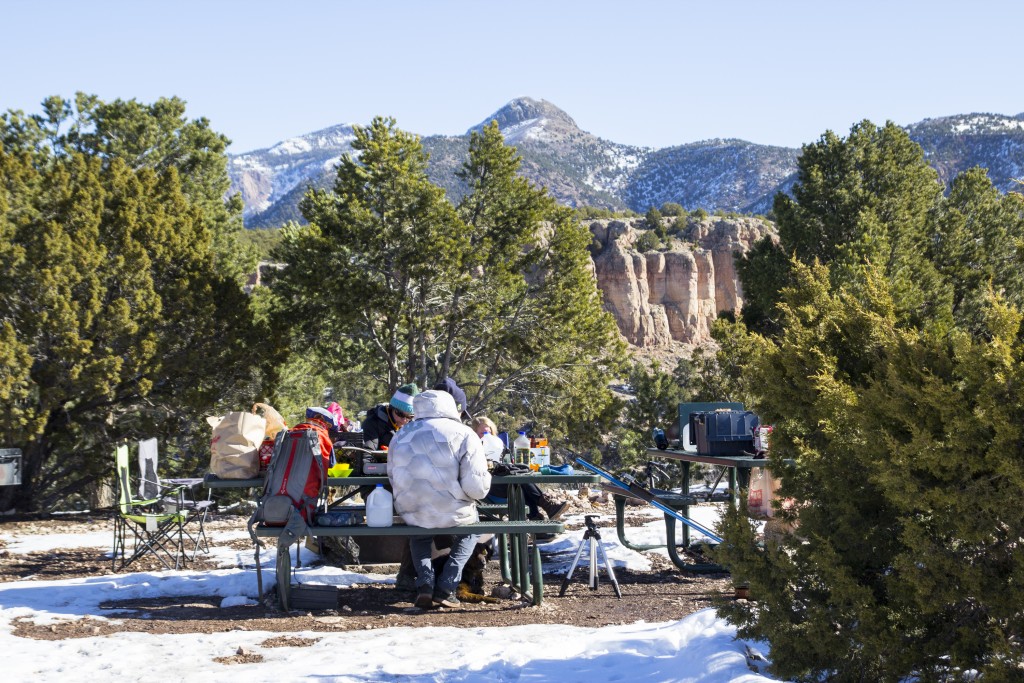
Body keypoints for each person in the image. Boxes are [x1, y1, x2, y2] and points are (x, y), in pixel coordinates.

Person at [388, 389, 492, 609]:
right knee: (471, 529)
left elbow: (392, 475)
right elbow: (476, 487)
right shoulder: (464, 433)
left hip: (411, 507)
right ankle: (446, 587)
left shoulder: (401, 434)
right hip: (452, 508)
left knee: (419, 534)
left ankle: (425, 585)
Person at [472, 416, 569, 522]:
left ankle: (540, 518)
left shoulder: (498, 444)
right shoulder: (474, 447)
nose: (487, 436)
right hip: (491, 486)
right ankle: (546, 507)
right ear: (475, 434)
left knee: (522, 484)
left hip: (504, 482)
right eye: (482, 433)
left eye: (488, 432)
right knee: (521, 481)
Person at [361, 383, 418, 450]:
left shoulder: (413, 427)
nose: (404, 420)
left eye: (410, 417)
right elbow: (366, 454)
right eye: (400, 414)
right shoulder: (371, 423)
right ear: (391, 408)